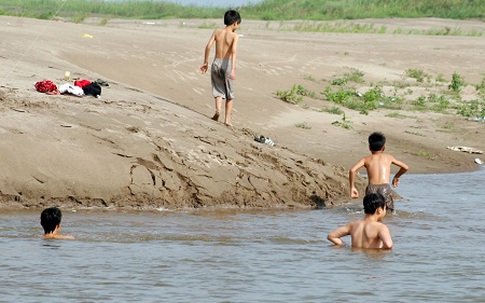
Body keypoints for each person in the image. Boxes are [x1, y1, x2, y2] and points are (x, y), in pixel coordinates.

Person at [349, 132, 409, 213]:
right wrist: (396, 177)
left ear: (369, 147)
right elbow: (405, 167)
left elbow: (352, 170)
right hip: (385, 188)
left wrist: (352, 187)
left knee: (370, 212)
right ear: (383, 148)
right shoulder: (389, 158)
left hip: (371, 188)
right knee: (388, 212)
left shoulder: (366, 159)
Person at [200, 10, 241, 127]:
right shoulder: (234, 36)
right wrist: (233, 69)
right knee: (230, 93)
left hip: (216, 63)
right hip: (227, 64)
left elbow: (208, 46)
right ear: (235, 23)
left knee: (218, 89)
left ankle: (218, 110)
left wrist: (205, 62)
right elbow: (233, 51)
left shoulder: (217, 32)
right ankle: (227, 120)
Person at [327, 193, 393, 249]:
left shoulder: (353, 225)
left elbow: (331, 236)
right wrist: (378, 252)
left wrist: (345, 246)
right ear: (379, 210)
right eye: (385, 208)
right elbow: (388, 245)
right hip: (372, 261)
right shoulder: (380, 227)